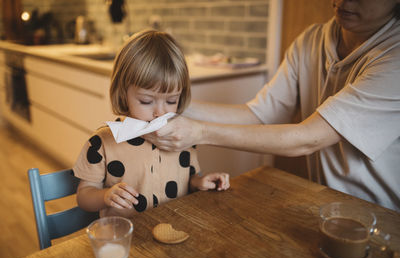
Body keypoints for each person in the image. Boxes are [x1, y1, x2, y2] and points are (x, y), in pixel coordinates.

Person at [145, 0, 400, 211]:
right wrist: (166, 102)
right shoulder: (311, 40)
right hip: (324, 205)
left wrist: (200, 131)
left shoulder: (394, 57)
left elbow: (307, 138)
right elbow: (258, 114)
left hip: (380, 215)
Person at [73, 29, 230, 218]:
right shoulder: (102, 142)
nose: (160, 112)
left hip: (175, 227)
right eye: (147, 101)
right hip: (129, 238)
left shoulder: (181, 137)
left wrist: (200, 182)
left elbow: (188, 179)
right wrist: (105, 195)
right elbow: (84, 196)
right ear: (123, 93)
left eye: (171, 101)